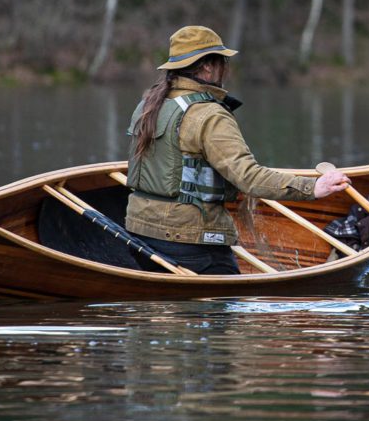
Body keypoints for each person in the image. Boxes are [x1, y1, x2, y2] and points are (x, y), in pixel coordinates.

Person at [125, 25, 351, 275]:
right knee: (226, 308)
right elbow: (249, 178)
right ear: (208, 66)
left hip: (140, 233)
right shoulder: (209, 115)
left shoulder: (148, 105)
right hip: (188, 241)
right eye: (222, 61)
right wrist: (313, 188)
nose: (226, 68)